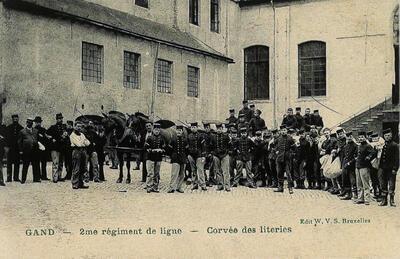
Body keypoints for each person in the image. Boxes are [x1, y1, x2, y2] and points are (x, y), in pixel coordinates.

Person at [354, 131, 376, 205]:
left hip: (364, 167)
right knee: (359, 183)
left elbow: (373, 153)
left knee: (365, 183)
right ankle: (360, 198)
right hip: (358, 166)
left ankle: (367, 199)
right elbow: (356, 154)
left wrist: (368, 157)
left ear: (365, 137)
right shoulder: (359, 146)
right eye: (359, 137)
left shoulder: (368, 146)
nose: (360, 138)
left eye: (362, 137)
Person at [378, 128, 399, 206]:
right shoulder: (383, 145)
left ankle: (392, 201)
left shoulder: (395, 145)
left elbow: (397, 159)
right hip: (382, 168)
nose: (387, 137)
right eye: (386, 135)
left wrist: (395, 169)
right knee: (383, 184)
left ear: (391, 135)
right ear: (384, 136)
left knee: (391, 184)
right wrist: (380, 168)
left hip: (391, 169)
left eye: (389, 135)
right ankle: (384, 201)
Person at [144, 123, 166, 193]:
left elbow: (164, 148)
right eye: (156, 130)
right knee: (150, 173)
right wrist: (151, 150)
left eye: (158, 130)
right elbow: (146, 148)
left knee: (156, 173)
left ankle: (155, 187)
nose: (157, 131)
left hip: (158, 158)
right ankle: (149, 187)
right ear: (153, 130)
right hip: (150, 158)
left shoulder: (162, 139)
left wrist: (161, 150)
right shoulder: (149, 138)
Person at [46, 113, 68, 183]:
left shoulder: (64, 127)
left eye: (61, 118)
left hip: (62, 148)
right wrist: (51, 138)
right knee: (55, 162)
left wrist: (65, 135)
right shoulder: (53, 127)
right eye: (59, 118)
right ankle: (55, 178)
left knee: (61, 163)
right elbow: (46, 134)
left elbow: (66, 136)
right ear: (56, 119)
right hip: (55, 148)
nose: (60, 120)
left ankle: (59, 176)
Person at [274, 126, 295, 194]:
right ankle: (280, 187)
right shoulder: (278, 138)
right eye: (282, 130)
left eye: (285, 130)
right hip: (279, 159)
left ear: (287, 131)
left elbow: (294, 148)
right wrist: (276, 151)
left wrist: (291, 154)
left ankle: (290, 188)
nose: (283, 131)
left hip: (287, 159)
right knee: (279, 173)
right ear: (280, 131)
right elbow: (274, 146)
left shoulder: (290, 138)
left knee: (288, 174)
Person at [187, 122, 207, 191]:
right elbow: (187, 146)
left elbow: (203, 146)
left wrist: (203, 156)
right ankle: (195, 184)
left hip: (199, 155)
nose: (193, 128)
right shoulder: (189, 136)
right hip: (191, 155)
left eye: (194, 127)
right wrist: (188, 155)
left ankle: (203, 185)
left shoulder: (201, 136)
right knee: (193, 170)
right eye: (192, 127)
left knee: (200, 170)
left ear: (197, 128)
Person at [19, 118, 40, 184]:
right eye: (28, 122)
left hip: (35, 151)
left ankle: (36, 178)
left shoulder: (36, 131)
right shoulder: (22, 131)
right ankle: (23, 179)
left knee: (36, 165)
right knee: (25, 165)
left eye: (31, 122)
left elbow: (38, 140)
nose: (29, 123)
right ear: (26, 123)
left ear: (32, 123)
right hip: (26, 151)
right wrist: (21, 150)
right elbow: (19, 142)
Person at [211, 123, 231, 192]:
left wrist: (227, 152)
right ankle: (220, 186)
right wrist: (213, 153)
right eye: (217, 129)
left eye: (220, 129)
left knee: (226, 171)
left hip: (224, 155)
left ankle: (227, 186)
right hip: (216, 155)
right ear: (216, 129)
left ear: (222, 129)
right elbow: (211, 146)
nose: (218, 130)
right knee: (217, 171)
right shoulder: (213, 137)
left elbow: (230, 145)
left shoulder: (226, 136)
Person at [167, 125, 188, 193]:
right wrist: (172, 156)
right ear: (176, 131)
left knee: (182, 174)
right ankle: (172, 187)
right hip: (175, 158)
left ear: (182, 132)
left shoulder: (185, 140)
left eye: (180, 130)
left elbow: (187, 150)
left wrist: (185, 157)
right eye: (177, 130)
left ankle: (179, 187)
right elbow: (169, 149)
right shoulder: (173, 139)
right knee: (174, 173)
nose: (178, 132)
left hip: (183, 158)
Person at [70, 121, 90, 189]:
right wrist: (83, 142)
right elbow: (78, 144)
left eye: (80, 127)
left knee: (83, 168)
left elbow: (88, 143)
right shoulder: (72, 135)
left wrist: (84, 142)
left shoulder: (82, 134)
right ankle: (75, 183)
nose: (79, 128)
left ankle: (81, 183)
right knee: (76, 168)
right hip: (76, 151)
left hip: (83, 151)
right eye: (78, 126)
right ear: (75, 126)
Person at [339, 132, 358, 200]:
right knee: (345, 179)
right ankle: (348, 194)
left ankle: (355, 194)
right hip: (345, 165)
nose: (349, 138)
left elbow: (356, 157)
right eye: (348, 137)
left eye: (350, 137)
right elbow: (343, 156)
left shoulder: (355, 146)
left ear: (352, 137)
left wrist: (350, 163)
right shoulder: (345, 146)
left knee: (353, 180)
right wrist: (342, 165)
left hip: (352, 166)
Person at [5, 114, 23, 182]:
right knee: (9, 163)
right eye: (14, 119)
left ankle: (16, 177)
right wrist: (6, 147)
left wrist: (21, 149)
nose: (15, 120)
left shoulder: (21, 128)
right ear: (12, 119)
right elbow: (6, 138)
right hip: (10, 148)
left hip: (17, 149)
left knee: (17, 163)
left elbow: (22, 140)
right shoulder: (8, 128)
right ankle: (9, 178)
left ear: (18, 119)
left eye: (16, 118)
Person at [34, 116, 50, 181]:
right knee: (37, 163)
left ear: (40, 122)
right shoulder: (33, 130)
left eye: (39, 122)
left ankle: (44, 176)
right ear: (35, 123)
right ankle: (38, 176)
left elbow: (46, 139)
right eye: (37, 122)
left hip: (43, 148)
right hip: (36, 148)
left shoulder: (43, 130)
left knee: (44, 163)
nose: (38, 123)